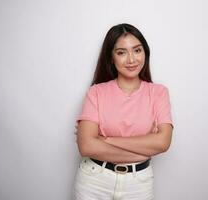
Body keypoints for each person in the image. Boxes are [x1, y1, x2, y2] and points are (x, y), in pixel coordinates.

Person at [74, 23, 173, 200]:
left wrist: (107, 140)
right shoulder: (96, 92)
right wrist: (146, 149)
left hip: (138, 184)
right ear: (111, 57)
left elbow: (163, 142)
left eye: (137, 50)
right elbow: (86, 146)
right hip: (94, 181)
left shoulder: (158, 93)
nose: (131, 59)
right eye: (121, 52)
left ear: (145, 53)